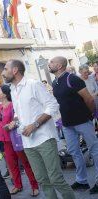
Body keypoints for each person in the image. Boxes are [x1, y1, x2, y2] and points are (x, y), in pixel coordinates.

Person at [2, 59, 75, 199]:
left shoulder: (33, 84)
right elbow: (20, 112)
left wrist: (35, 125)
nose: (3, 73)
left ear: (15, 70)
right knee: (42, 180)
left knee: (56, 179)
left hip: (44, 138)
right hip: (28, 143)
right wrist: (14, 121)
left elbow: (53, 105)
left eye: (5, 69)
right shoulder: (13, 88)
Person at [49, 56, 98, 194]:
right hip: (67, 124)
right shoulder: (55, 82)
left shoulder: (73, 79)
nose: (49, 64)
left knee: (94, 149)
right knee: (74, 152)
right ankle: (81, 180)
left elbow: (89, 99)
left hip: (83, 121)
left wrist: (89, 115)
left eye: (52, 62)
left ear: (59, 66)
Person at [0, 84, 39, 196]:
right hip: (4, 140)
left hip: (15, 139)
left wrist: (12, 124)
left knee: (25, 163)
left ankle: (34, 186)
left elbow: (18, 120)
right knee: (12, 164)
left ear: (4, 94)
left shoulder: (13, 106)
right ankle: (18, 185)